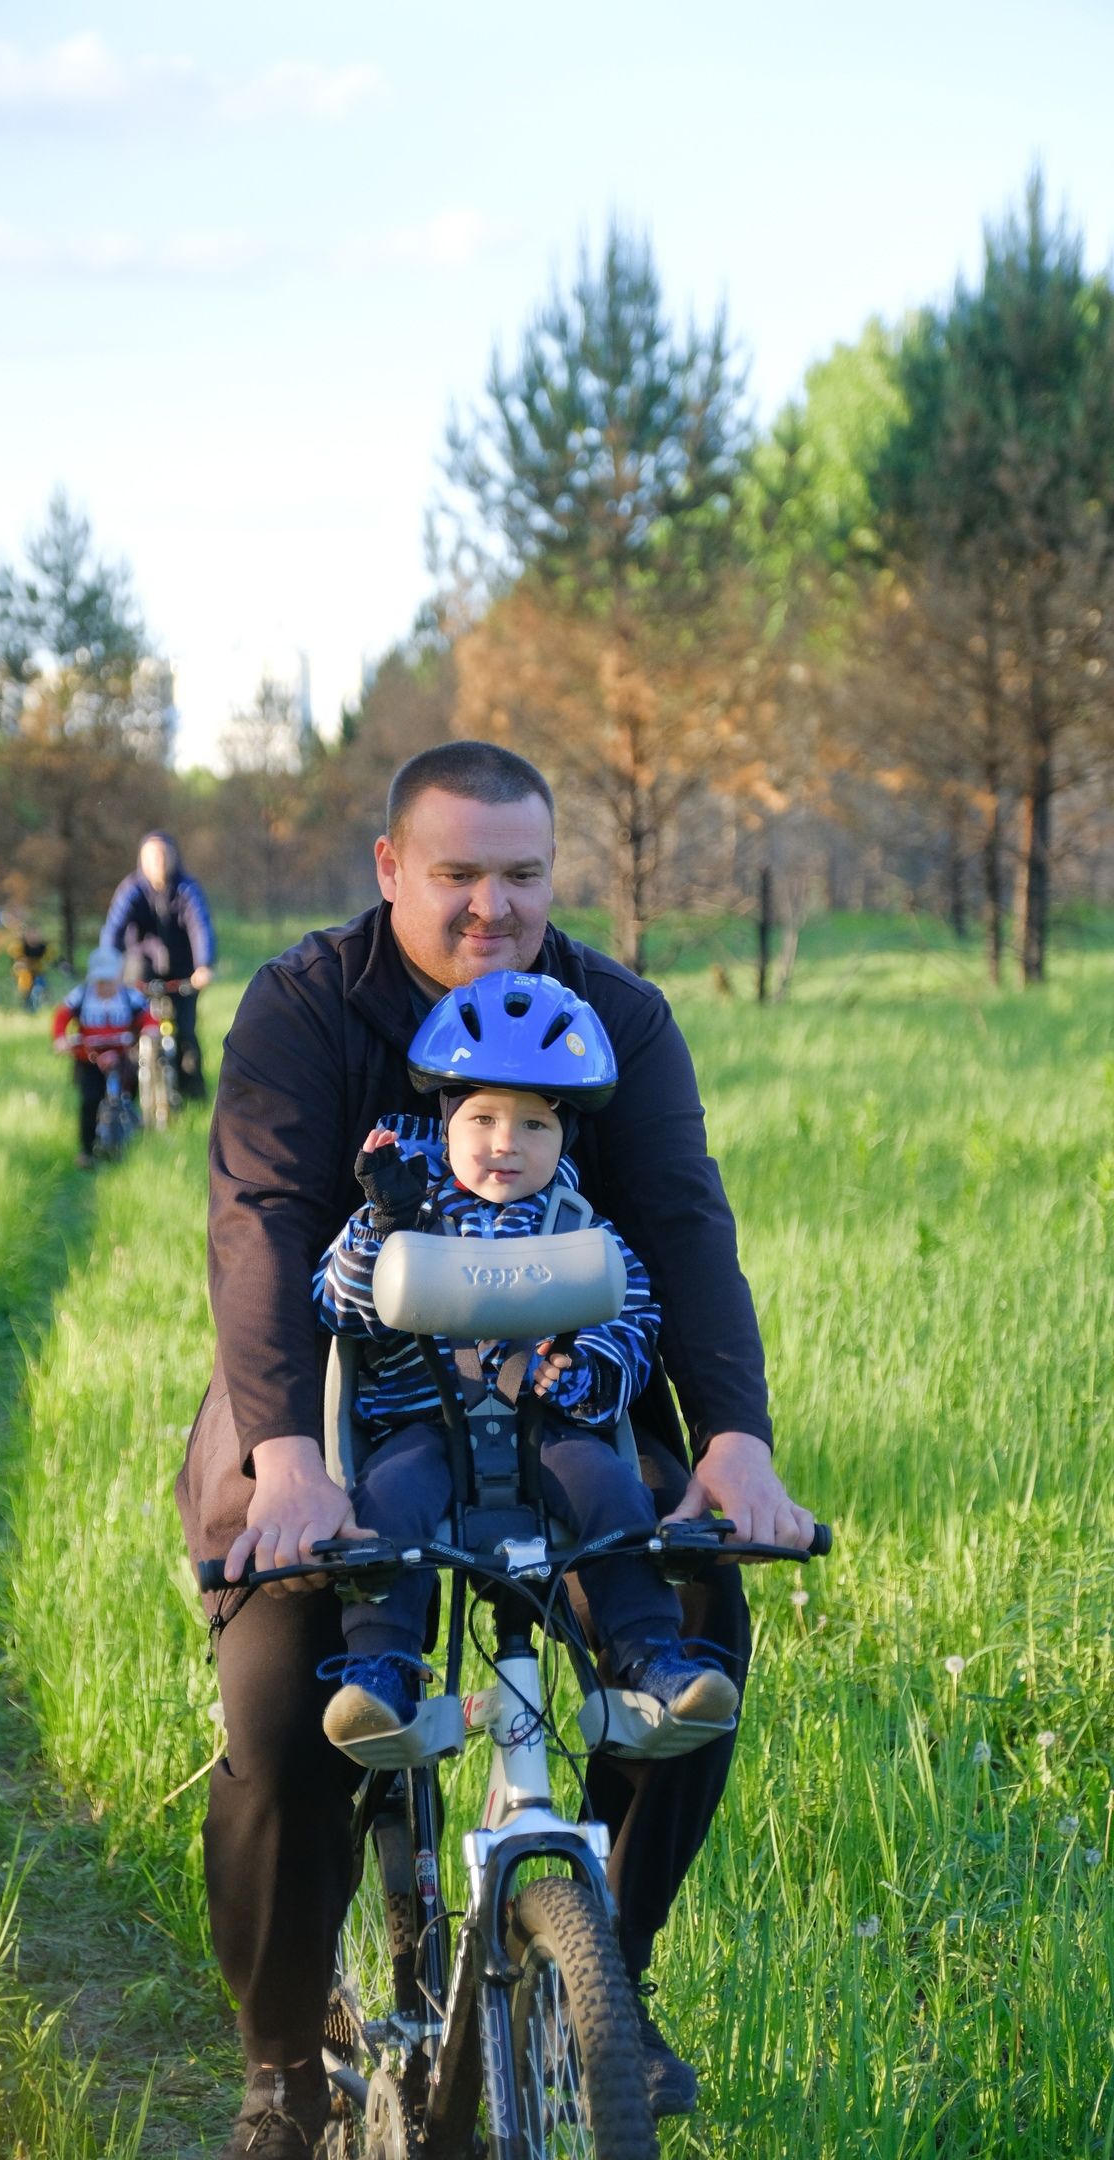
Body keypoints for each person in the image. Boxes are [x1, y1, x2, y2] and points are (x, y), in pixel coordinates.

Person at [178, 740, 815, 2156]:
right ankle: (283, 2062)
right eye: (457, 874)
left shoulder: (619, 1014)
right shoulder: (305, 1004)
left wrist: (736, 1443)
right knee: (286, 1702)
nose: (493, 908)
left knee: (700, 1614)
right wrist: (283, 1456)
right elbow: (260, 1229)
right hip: (339, 1396)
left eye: (522, 875)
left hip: (560, 1393)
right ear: (392, 867)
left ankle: (609, 1978)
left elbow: (683, 1229)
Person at [313, 970, 741, 1751]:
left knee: (616, 1497)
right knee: (388, 1503)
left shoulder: (578, 1226)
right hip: (423, 1423)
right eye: (481, 1119)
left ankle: (653, 1660)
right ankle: (380, 1672)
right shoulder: (408, 1211)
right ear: (444, 1122)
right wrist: (381, 1224)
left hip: (548, 1426)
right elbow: (335, 1305)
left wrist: (581, 1377)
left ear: (567, 1136)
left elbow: (634, 1321)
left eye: (536, 1126)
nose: (506, 1143)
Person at [101, 830, 215, 1101]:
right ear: (142, 860)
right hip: (143, 969)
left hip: (183, 972)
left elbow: (201, 926)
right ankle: (129, 1096)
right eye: (152, 857)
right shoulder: (131, 890)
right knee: (133, 1032)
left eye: (164, 855)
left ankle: (193, 1097)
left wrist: (204, 965)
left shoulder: (187, 889)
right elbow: (114, 930)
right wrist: (107, 967)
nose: (158, 862)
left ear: (175, 858)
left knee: (185, 1031)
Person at [51, 944, 153, 1168]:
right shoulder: (81, 995)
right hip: (89, 1057)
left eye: (109, 980)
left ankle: (130, 1119)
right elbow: (61, 1017)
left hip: (121, 1054)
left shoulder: (129, 996)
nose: (104, 986)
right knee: (89, 1100)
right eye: (100, 981)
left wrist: (149, 1029)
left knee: (132, 1081)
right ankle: (86, 1150)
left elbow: (148, 1016)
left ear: (118, 977)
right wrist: (60, 1039)